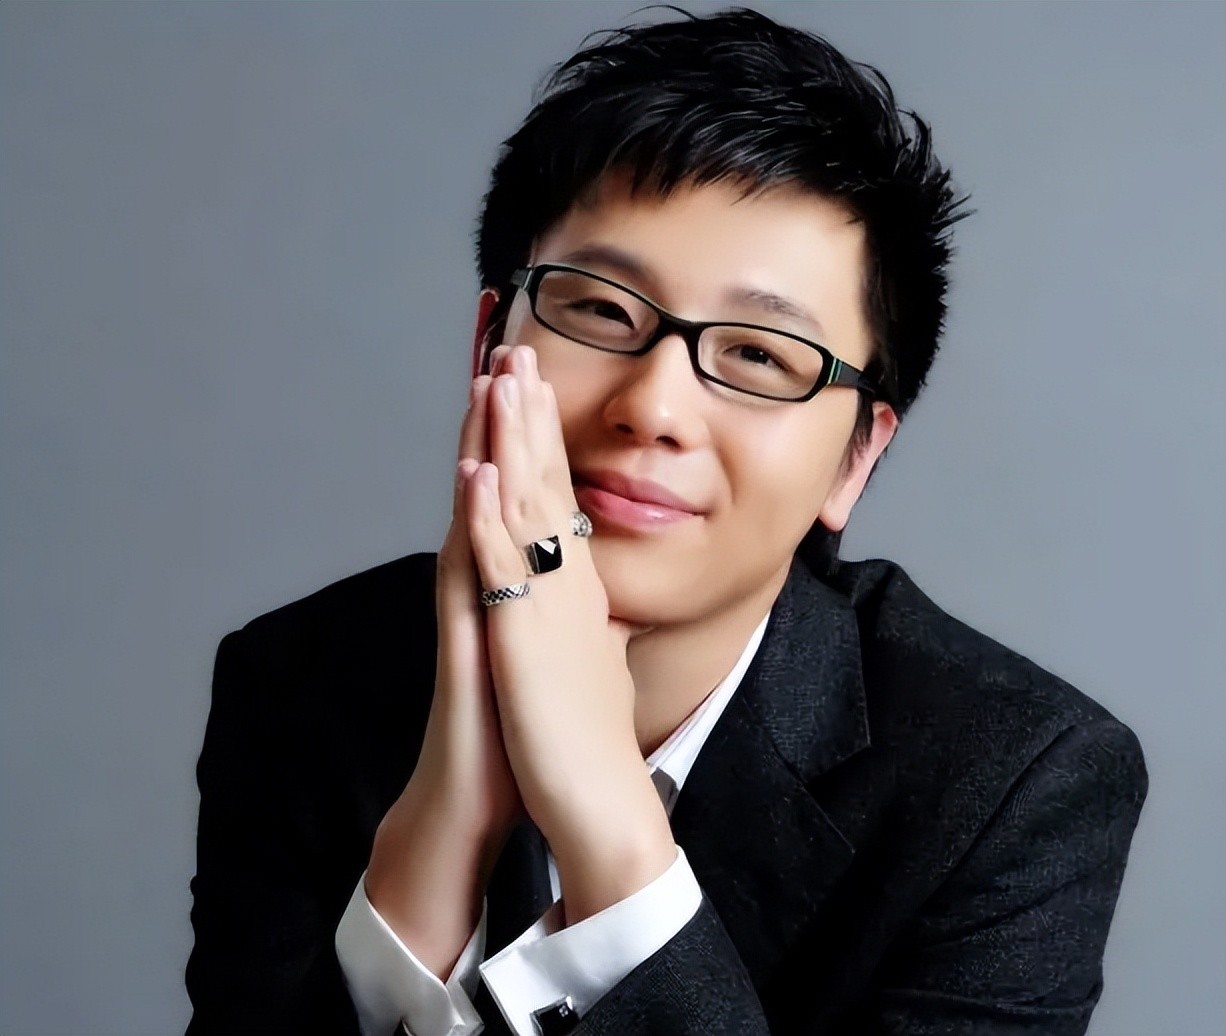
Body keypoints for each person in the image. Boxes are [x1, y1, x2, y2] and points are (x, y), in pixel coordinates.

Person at [185, 9, 1146, 1035]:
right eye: (602, 310)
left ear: (855, 458)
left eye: (759, 356)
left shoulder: (1013, 779)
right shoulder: (300, 683)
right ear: (487, 347)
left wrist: (607, 822)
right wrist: (435, 843)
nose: (652, 406)